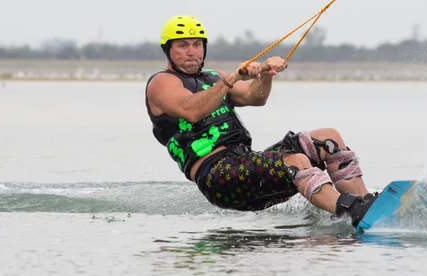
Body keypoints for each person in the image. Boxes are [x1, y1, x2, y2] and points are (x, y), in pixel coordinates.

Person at [145, 15, 380, 228]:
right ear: (168, 50)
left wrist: (265, 74)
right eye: (183, 45)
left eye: (197, 44)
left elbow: (254, 97)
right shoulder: (162, 82)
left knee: (328, 138)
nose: (191, 51)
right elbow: (192, 111)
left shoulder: (213, 77)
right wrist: (234, 76)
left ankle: (367, 203)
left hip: (245, 165)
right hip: (217, 177)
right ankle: (352, 211)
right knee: (295, 161)